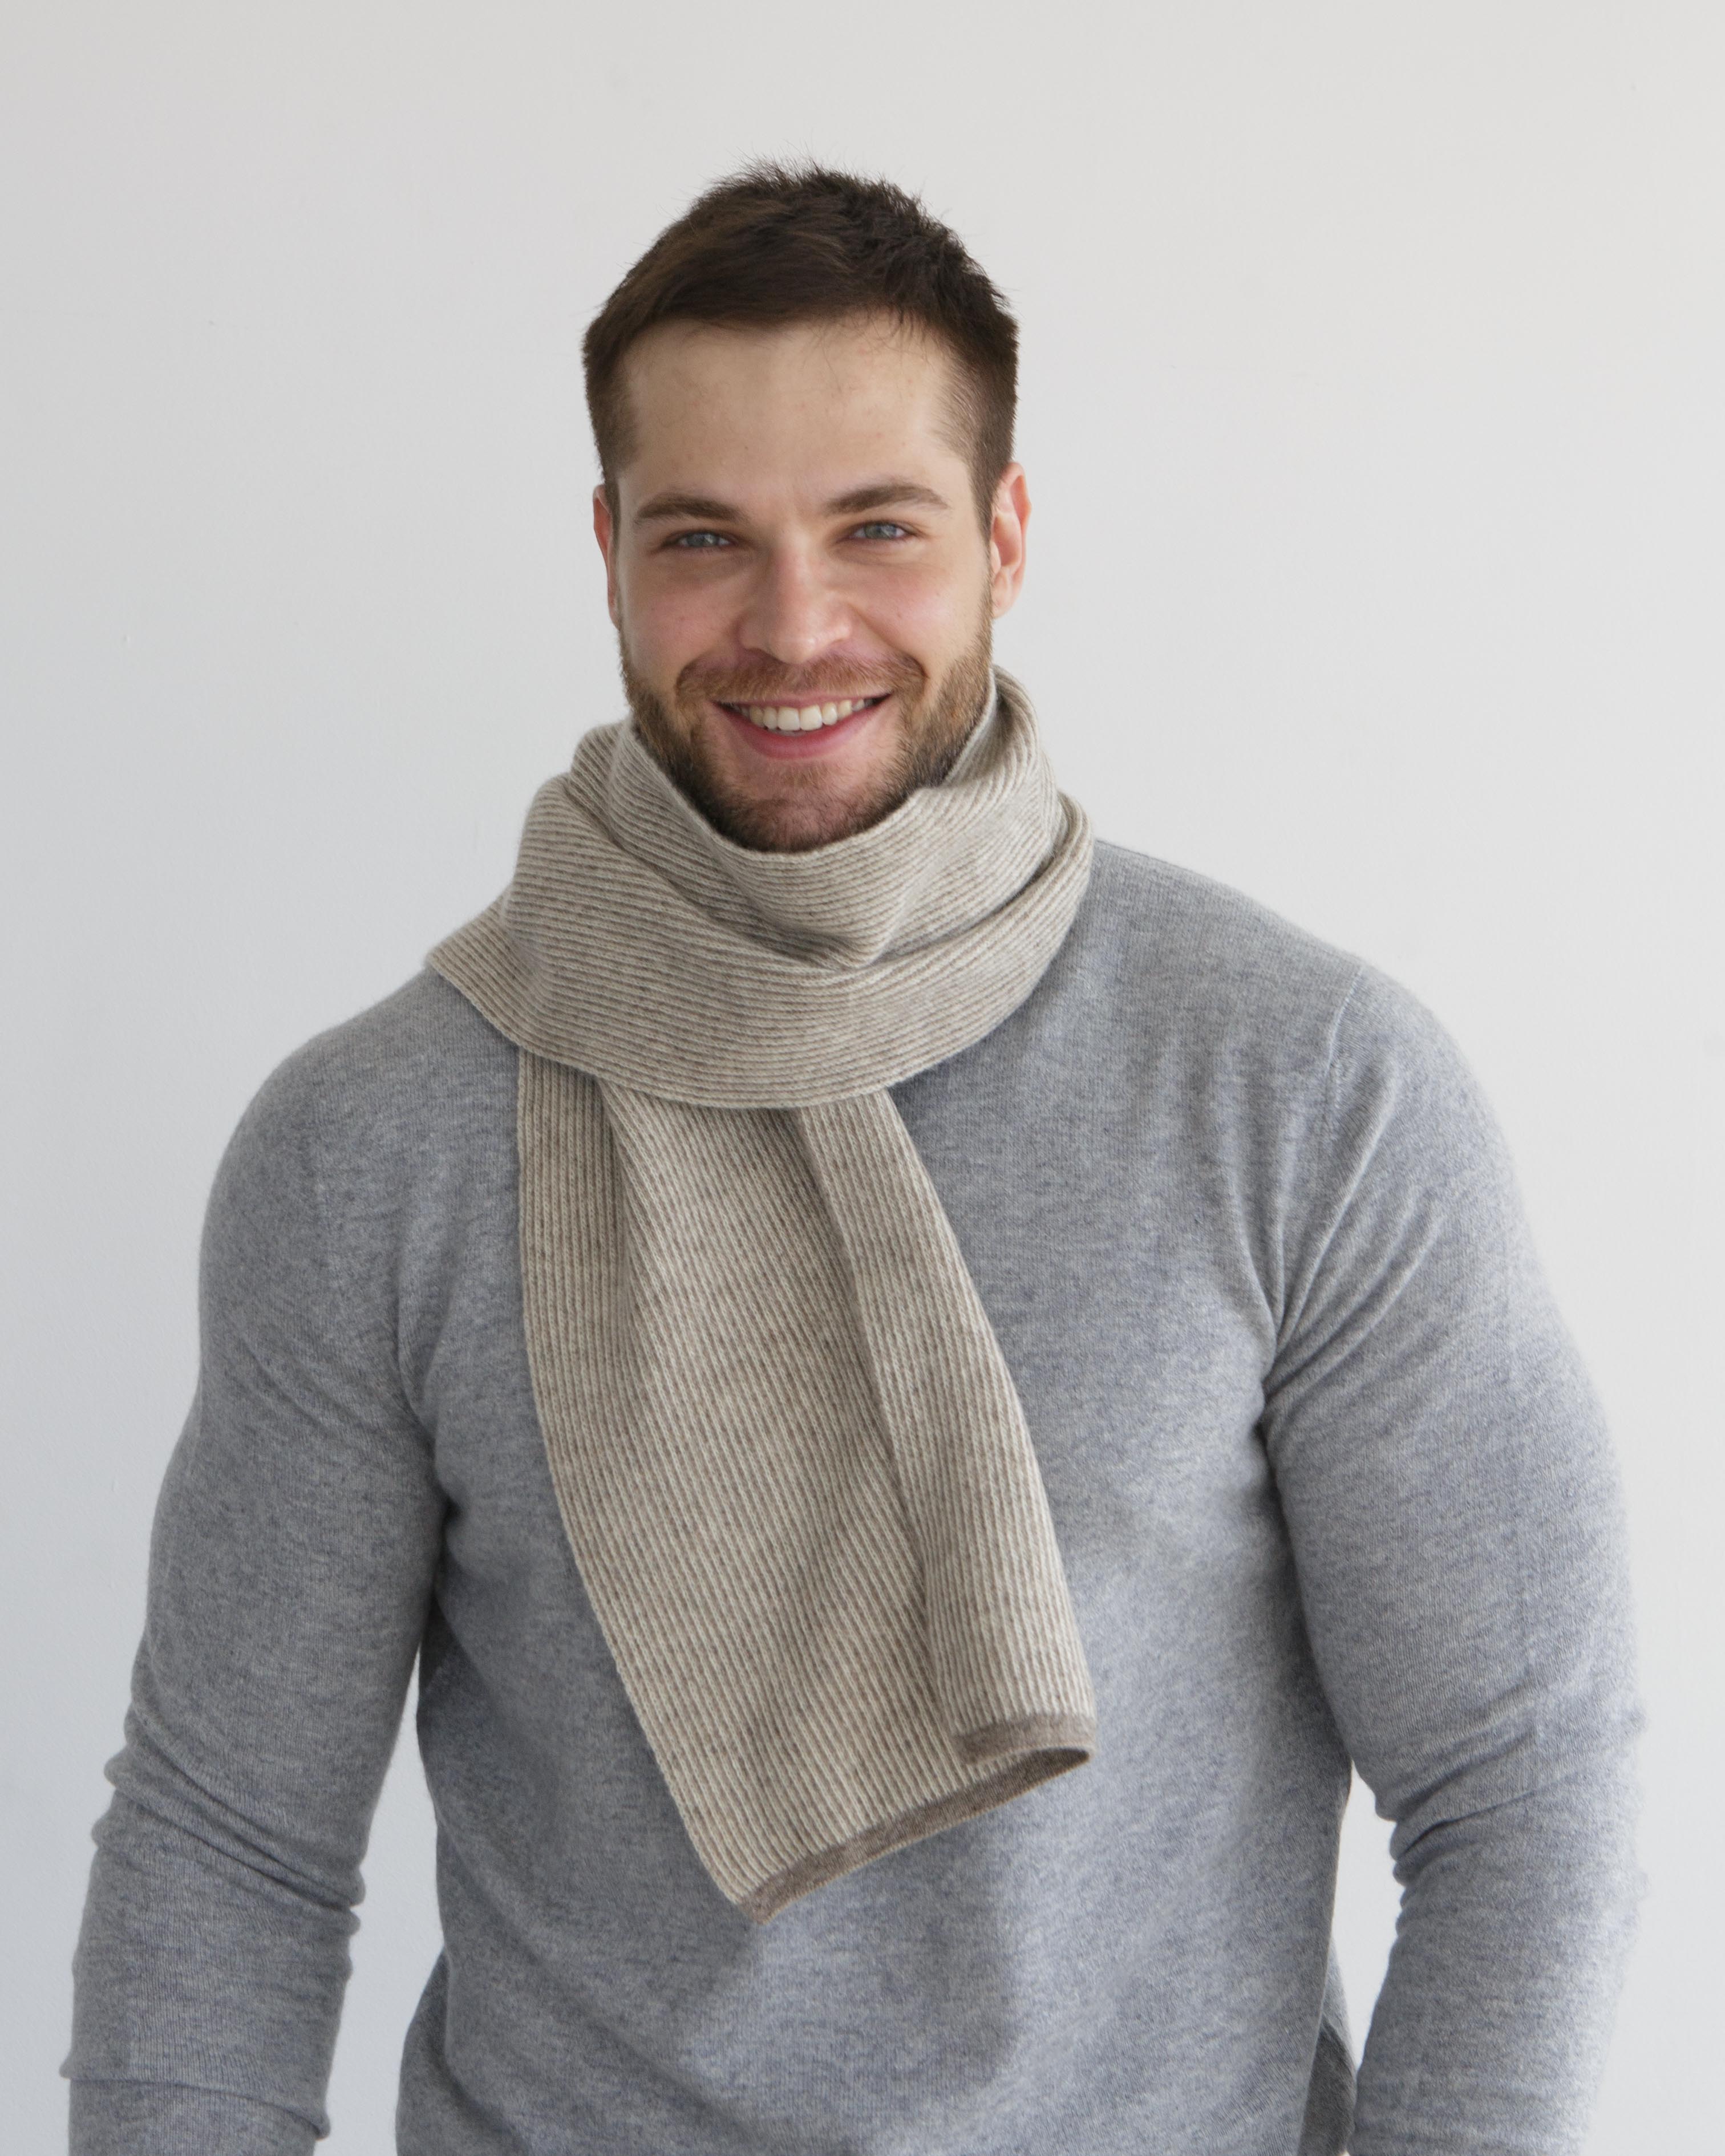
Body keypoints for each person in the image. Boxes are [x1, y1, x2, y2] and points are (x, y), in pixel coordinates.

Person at [63, 162, 1641, 2156]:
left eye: (878, 527)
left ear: (1005, 538)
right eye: (704, 537)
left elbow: (1525, 1788)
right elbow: (230, 1845)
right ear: (610, 554)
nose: (792, 624)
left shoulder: (1305, 1087)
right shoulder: (373, 1146)